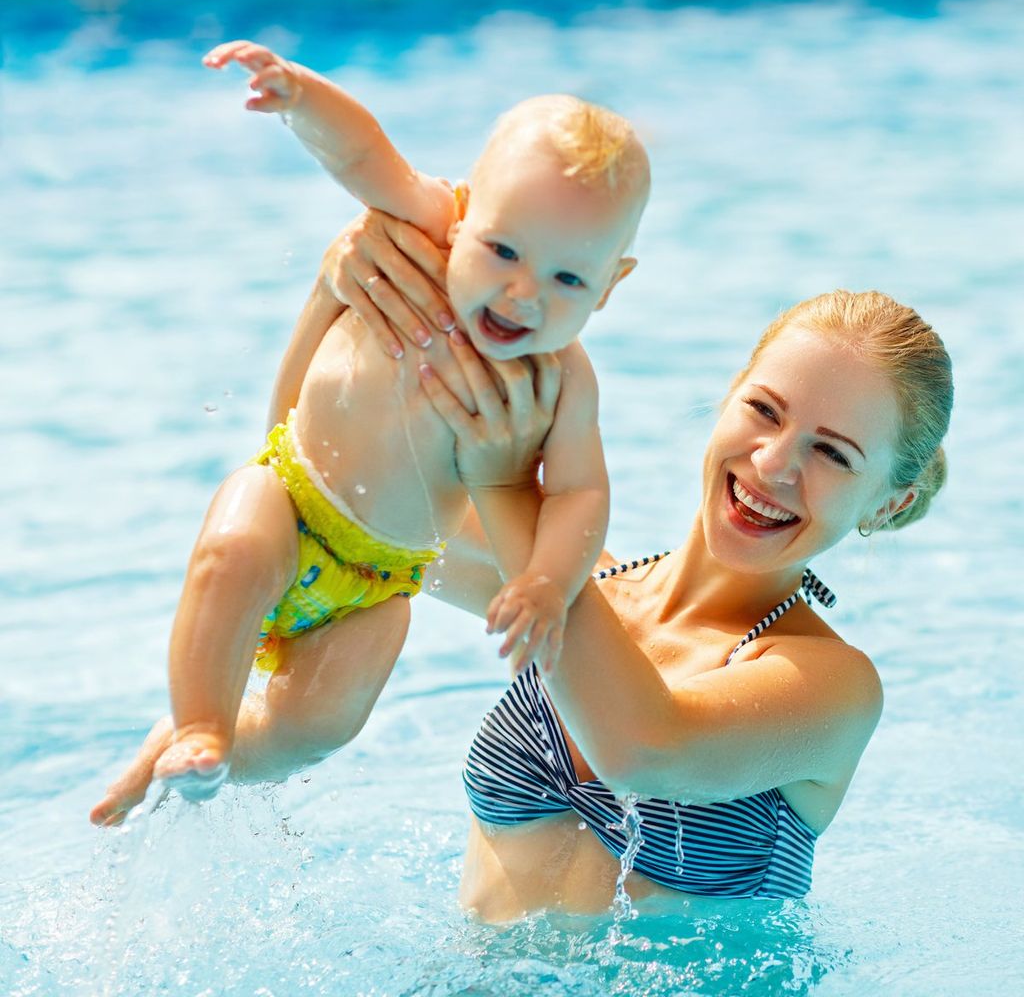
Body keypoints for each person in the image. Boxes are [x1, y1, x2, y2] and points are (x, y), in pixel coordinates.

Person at [93, 208, 953, 924]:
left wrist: (505, 484)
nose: (773, 465)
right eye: (763, 410)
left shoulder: (830, 685)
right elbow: (327, 487)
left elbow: (645, 747)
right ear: (727, 396)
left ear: (889, 502)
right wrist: (338, 292)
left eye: (833, 453)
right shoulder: (583, 582)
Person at [100, 43, 651, 806]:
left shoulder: (563, 382)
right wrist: (298, 98)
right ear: (463, 212)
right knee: (230, 556)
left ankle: (209, 757)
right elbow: (364, 150)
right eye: (503, 250)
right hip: (289, 503)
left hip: (380, 579)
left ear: (611, 285)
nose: (524, 294)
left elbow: (581, 493)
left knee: (321, 725)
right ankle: (199, 722)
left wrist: (547, 584)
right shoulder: (424, 237)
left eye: (567, 278)